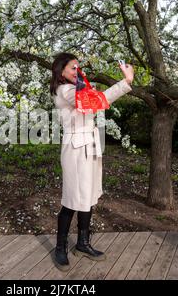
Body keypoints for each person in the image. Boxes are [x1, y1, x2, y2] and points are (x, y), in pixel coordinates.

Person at [50, 52, 134, 271]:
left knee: (87, 196)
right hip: (76, 150)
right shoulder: (65, 90)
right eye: (72, 68)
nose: (77, 71)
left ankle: (83, 244)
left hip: (90, 146)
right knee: (71, 200)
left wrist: (123, 82)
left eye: (78, 67)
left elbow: (96, 98)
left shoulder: (78, 88)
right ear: (61, 71)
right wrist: (125, 83)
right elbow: (97, 101)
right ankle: (60, 248)